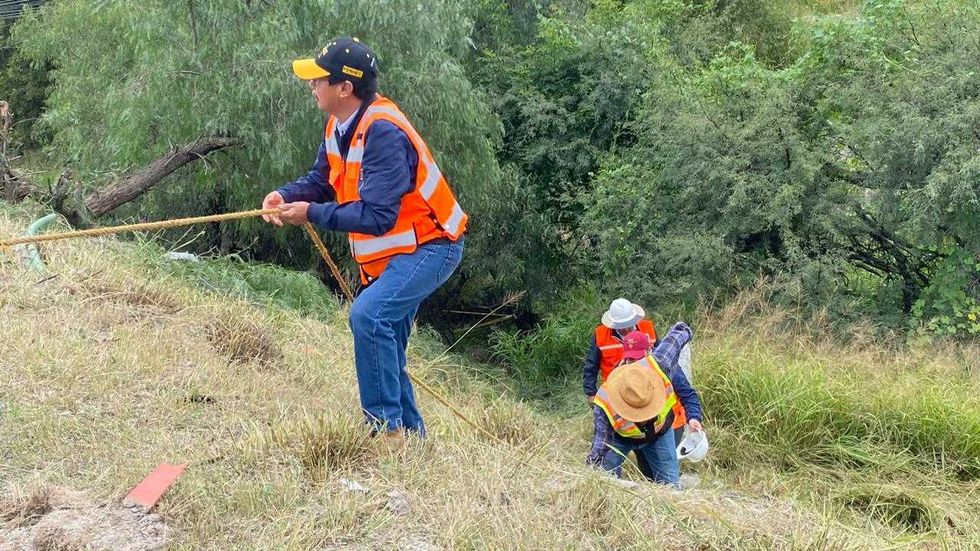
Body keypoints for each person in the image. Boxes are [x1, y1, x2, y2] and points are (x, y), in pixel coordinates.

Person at [261, 37, 466, 447]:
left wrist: (311, 213)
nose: (311, 86)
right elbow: (321, 180)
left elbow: (376, 217)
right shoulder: (339, 126)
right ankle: (411, 442)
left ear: (344, 88)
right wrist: (286, 195)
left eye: (318, 79)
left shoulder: (383, 132)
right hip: (397, 254)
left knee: (369, 317)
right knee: (385, 341)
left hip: (432, 247)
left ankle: (384, 433)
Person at [586, 324, 703, 486]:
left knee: (671, 485)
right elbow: (600, 443)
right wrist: (591, 473)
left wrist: (694, 417)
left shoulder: (660, 364)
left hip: (659, 432)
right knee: (604, 480)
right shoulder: (606, 399)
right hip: (621, 437)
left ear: (649, 351)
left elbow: (679, 332)